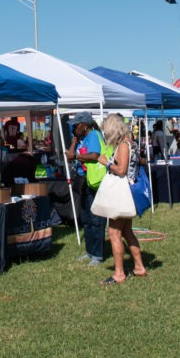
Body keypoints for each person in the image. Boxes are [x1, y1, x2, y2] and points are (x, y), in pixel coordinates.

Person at [95, 114, 147, 284]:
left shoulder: (123, 145)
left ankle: (119, 273)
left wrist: (106, 163)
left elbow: (122, 170)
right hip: (127, 192)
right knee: (127, 231)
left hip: (121, 193)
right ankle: (139, 267)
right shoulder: (130, 143)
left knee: (114, 232)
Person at [65, 111, 107, 266]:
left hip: (94, 181)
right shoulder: (82, 138)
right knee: (86, 218)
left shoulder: (94, 135)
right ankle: (90, 251)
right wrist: (75, 140)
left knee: (96, 218)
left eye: (76, 125)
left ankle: (98, 254)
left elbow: (95, 155)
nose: (73, 128)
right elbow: (69, 154)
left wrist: (76, 157)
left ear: (85, 125)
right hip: (83, 180)